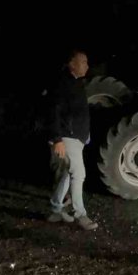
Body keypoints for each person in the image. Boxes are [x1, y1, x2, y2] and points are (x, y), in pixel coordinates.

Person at [48, 49, 98, 231]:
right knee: (78, 174)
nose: (87, 65)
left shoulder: (77, 83)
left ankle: (55, 209)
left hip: (76, 138)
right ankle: (80, 215)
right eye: (83, 61)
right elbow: (53, 111)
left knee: (65, 175)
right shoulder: (62, 83)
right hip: (67, 137)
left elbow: (79, 112)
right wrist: (57, 139)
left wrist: (86, 135)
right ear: (72, 64)